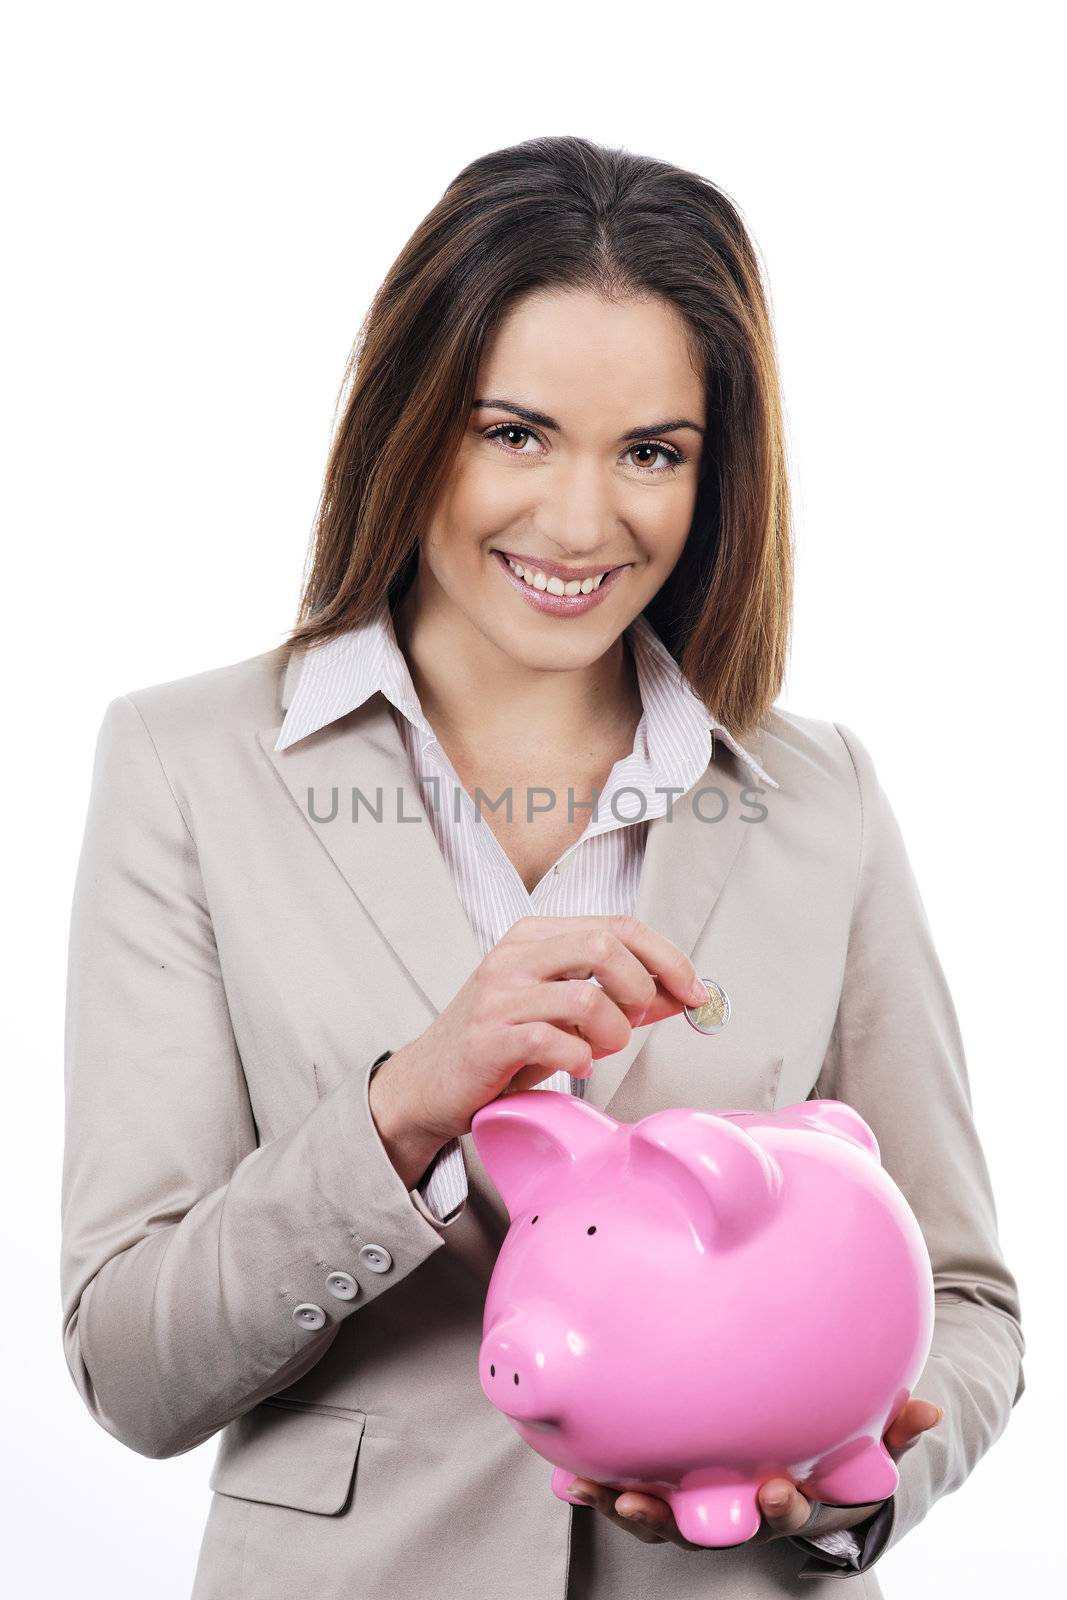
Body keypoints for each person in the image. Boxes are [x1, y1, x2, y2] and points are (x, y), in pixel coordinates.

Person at [60, 135, 1024, 1600]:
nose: (582, 524)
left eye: (653, 452)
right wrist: (400, 1111)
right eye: (514, 432)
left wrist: (841, 1479)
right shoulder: (186, 765)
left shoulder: (821, 796)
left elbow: (962, 1299)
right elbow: (133, 1367)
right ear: (409, 422)